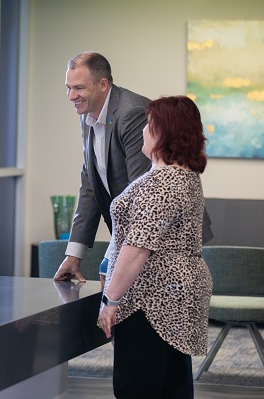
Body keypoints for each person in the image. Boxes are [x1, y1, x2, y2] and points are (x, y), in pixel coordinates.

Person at [54, 52, 212, 286]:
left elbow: (141, 196)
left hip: (164, 240)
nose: (71, 96)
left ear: (103, 85)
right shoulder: (87, 114)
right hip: (138, 236)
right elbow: (90, 184)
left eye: (78, 88)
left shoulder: (131, 113)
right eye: (68, 88)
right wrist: (74, 254)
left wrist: (113, 258)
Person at [97, 95, 212, 398]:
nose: (144, 132)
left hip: (152, 299)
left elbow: (137, 247)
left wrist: (110, 301)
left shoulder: (160, 183)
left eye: (149, 125)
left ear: (163, 133)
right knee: (171, 385)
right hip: (179, 293)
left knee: (137, 386)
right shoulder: (186, 177)